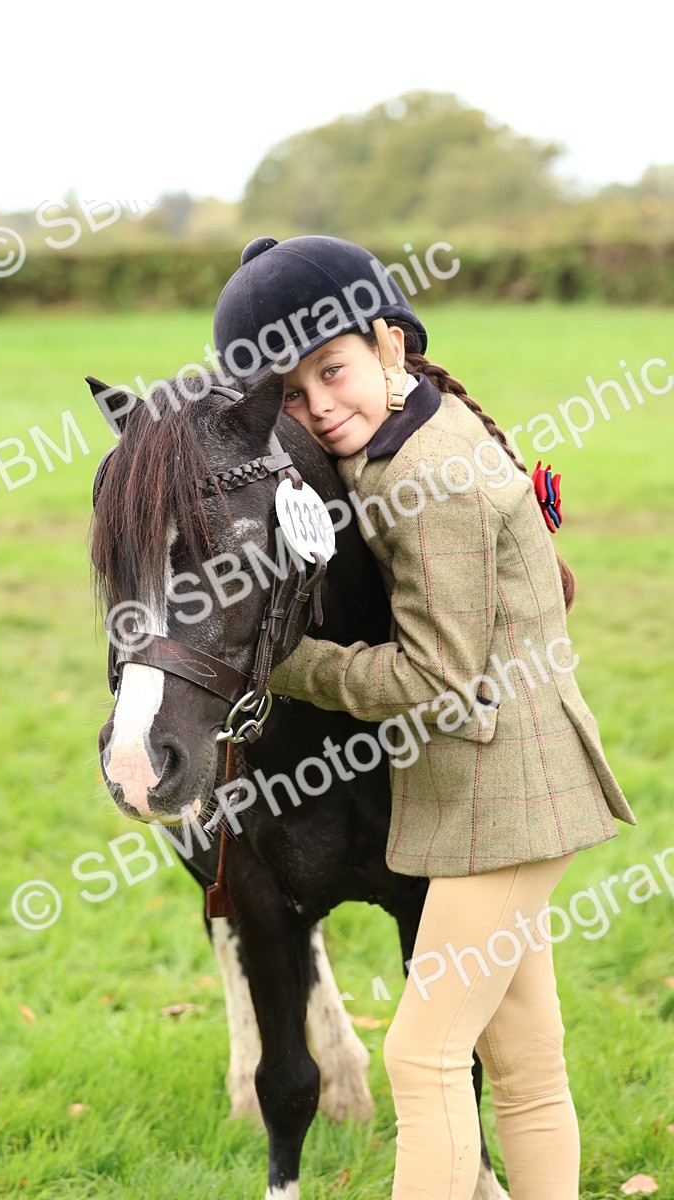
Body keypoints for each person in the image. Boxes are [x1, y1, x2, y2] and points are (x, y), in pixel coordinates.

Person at [212, 235, 638, 1200]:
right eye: (290, 393)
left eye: (333, 371)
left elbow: (438, 676)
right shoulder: (413, 440)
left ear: (390, 347)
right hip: (507, 783)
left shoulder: (425, 475)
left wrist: (286, 663)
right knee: (527, 1063)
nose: (319, 405)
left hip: (502, 797)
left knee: (423, 1055)